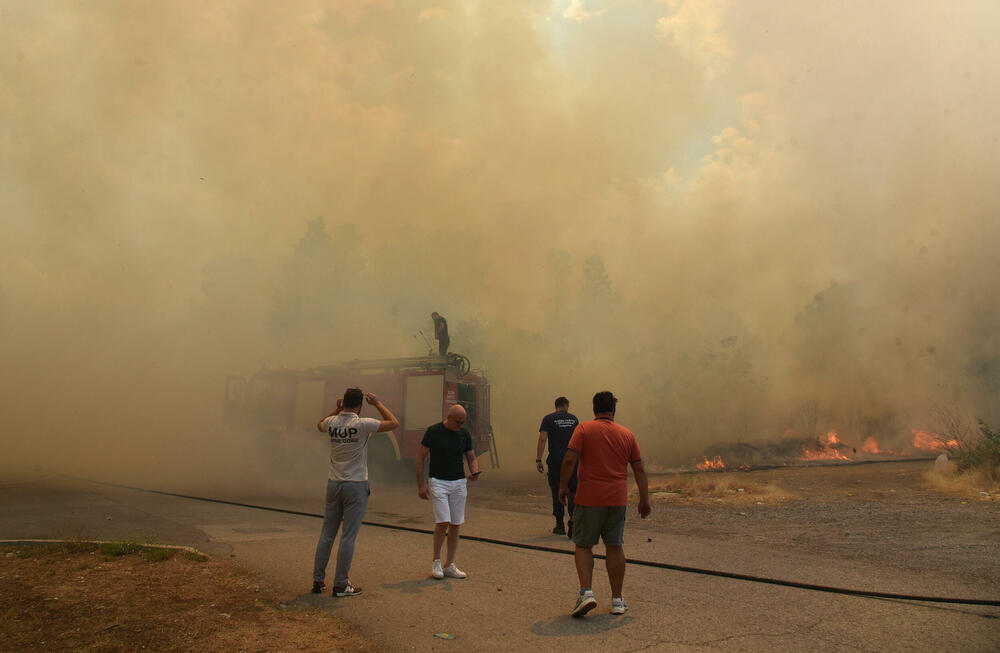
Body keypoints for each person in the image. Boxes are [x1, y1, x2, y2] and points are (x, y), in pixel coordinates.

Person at [559, 391, 650, 617]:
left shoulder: (583, 429)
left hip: (589, 499)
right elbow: (639, 468)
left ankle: (586, 593)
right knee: (615, 546)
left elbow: (570, 459)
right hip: (617, 500)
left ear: (594, 409)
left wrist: (563, 487)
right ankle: (617, 600)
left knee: (583, 544)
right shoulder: (627, 435)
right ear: (613, 411)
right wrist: (644, 499)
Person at [312, 388, 399, 597]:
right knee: (348, 536)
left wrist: (336, 408)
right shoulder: (362, 424)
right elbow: (393, 423)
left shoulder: (332, 423)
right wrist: (377, 404)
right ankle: (341, 584)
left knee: (327, 533)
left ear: (344, 404)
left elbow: (319, 424)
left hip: (334, 484)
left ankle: (318, 580)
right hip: (356, 485)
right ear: (360, 406)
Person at [415, 403, 480, 579]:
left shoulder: (464, 434)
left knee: (456, 523)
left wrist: (474, 470)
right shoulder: (433, 432)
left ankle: (449, 564)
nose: (460, 425)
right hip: (438, 481)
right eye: (458, 422)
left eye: (463, 422)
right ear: (449, 418)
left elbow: (471, 457)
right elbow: (420, 458)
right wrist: (421, 484)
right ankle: (436, 561)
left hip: (459, 482)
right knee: (443, 521)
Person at [536, 396, 579, 536]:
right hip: (572, 459)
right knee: (572, 490)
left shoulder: (548, 419)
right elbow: (580, 440)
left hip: (555, 460)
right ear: (567, 405)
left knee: (557, 490)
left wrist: (538, 459)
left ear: (556, 406)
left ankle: (560, 525)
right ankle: (573, 520)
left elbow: (542, 438)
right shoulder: (574, 419)